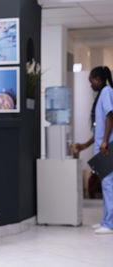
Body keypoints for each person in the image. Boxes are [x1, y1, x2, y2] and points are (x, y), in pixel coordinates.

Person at [72, 66, 113, 234]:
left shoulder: (106, 92)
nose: (91, 85)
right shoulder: (103, 94)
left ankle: (110, 224)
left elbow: (110, 116)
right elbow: (99, 128)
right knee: (106, 185)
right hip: (103, 146)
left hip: (107, 148)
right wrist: (85, 145)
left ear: (98, 79)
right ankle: (106, 221)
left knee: (109, 185)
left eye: (92, 81)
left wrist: (104, 142)